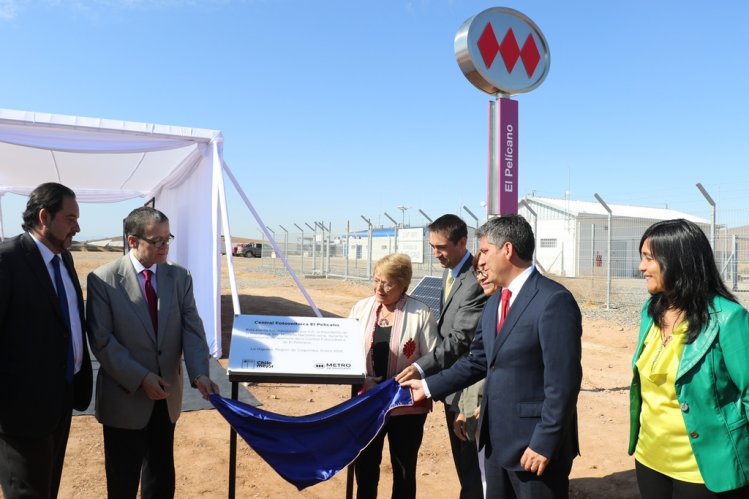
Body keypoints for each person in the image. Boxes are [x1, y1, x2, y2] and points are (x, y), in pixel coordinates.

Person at [401, 214, 582, 499]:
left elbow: (564, 382)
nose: (480, 261)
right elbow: (478, 360)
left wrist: (545, 441)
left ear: (507, 250)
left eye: (485, 251)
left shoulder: (553, 301)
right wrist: (425, 386)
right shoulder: (496, 301)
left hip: (533, 449)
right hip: (496, 444)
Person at [86, 206, 219, 499]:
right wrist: (141, 377)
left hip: (166, 396)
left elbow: (192, 330)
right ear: (133, 241)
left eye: (167, 238)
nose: (164, 246)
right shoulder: (103, 280)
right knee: (122, 480)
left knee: (160, 479)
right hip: (126, 396)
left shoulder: (179, 277)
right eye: (156, 241)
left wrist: (199, 374)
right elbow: (102, 341)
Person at [629, 219, 749, 498]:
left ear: (678, 261)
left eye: (649, 258)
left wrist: (728, 437)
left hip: (704, 470)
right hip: (649, 459)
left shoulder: (729, 319)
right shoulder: (651, 311)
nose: (641, 267)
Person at [0, 182, 93, 498]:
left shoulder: (64, 259)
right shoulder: (7, 260)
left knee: (47, 488)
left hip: (61, 402)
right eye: (70, 219)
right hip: (21, 415)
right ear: (44, 216)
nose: (77, 228)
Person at [395, 214, 487, 499]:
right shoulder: (451, 273)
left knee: (473, 470)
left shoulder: (474, 279)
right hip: (451, 384)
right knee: (463, 464)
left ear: (463, 242)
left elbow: (460, 339)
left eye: (442, 247)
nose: (436, 253)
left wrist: (421, 368)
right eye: (432, 246)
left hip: (469, 389)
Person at [349, 253, 439, 499]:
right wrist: (361, 379)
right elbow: (346, 353)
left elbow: (434, 357)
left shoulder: (421, 313)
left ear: (403, 284)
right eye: (376, 279)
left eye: (387, 282)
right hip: (368, 403)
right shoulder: (360, 309)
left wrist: (417, 372)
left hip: (407, 406)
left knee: (403, 469)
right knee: (365, 467)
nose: (379, 287)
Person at [452, 255, 499, 498]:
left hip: (507, 424)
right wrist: (464, 407)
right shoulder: (491, 308)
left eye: (484, 270)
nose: (480, 277)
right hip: (477, 418)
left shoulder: (542, 303)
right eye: (477, 272)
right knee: (478, 482)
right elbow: (477, 363)